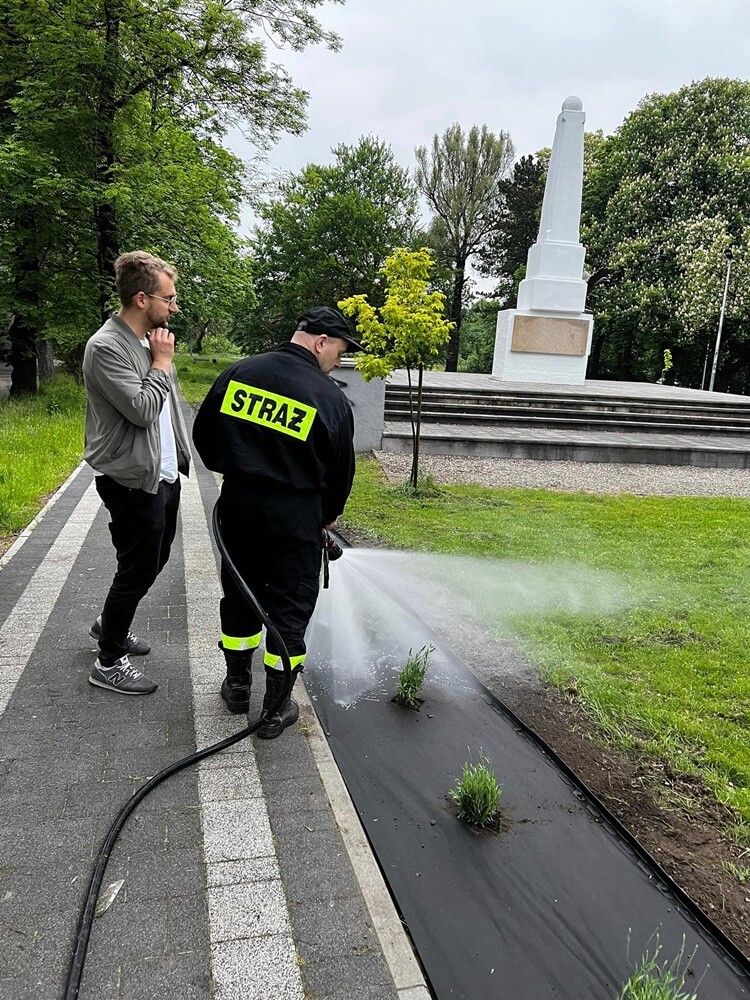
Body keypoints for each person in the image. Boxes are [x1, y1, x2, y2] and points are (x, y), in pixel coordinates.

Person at [192, 306, 359, 739]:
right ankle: (274, 708)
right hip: (295, 517)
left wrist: (239, 472)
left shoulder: (239, 373)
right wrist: (324, 516)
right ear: (320, 342)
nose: (338, 362)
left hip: (239, 507)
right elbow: (340, 473)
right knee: (289, 607)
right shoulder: (329, 398)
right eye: (340, 352)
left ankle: (237, 687)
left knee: (239, 595)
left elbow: (204, 438)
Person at [83, 251, 191, 695]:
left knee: (153, 560)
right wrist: (161, 362)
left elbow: (167, 411)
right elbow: (144, 409)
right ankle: (108, 661)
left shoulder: (149, 340)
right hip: (130, 479)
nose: (175, 307)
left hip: (160, 473)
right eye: (169, 298)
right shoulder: (107, 347)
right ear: (142, 299)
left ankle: (110, 622)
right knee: (136, 569)